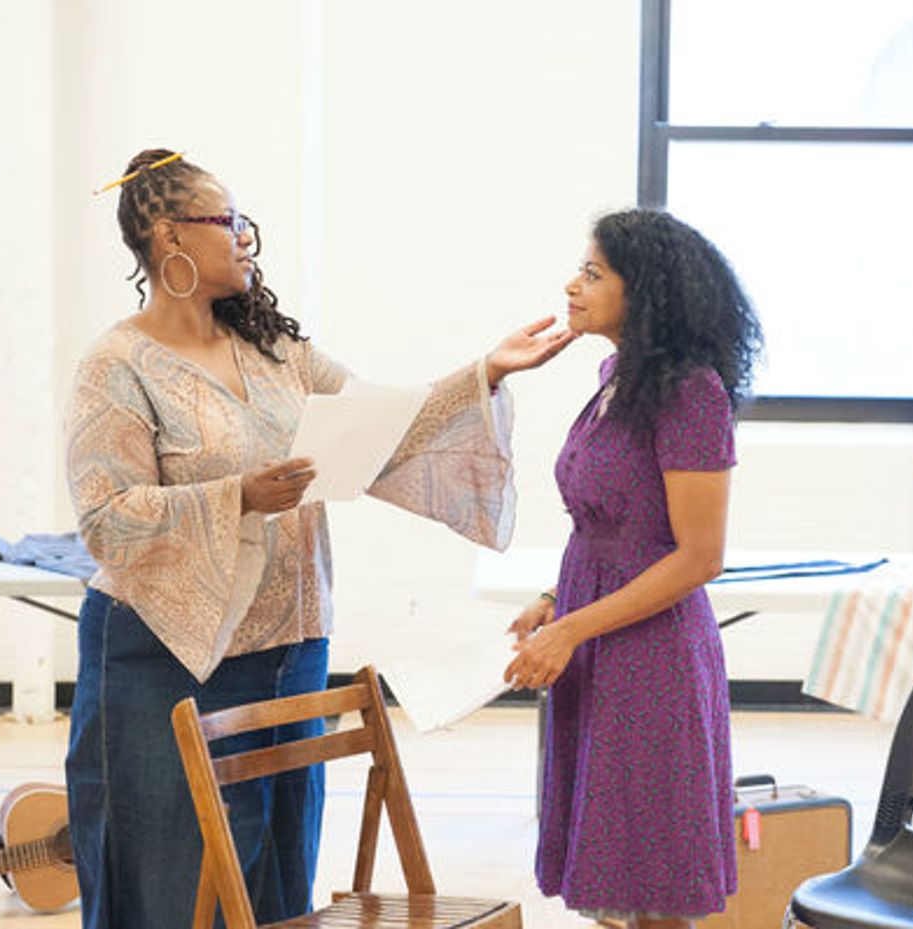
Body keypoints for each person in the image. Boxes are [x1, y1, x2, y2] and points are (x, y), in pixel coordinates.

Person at [65, 148, 573, 929]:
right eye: (226, 221)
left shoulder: (275, 352)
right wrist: (238, 496)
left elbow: (383, 424)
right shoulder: (116, 365)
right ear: (168, 237)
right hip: (164, 656)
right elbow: (105, 516)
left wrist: (486, 374)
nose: (245, 238)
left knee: (276, 863)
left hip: (289, 643)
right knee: (166, 870)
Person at [503, 209, 762, 929]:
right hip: (594, 631)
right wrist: (558, 600)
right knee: (614, 865)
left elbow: (699, 555)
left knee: (653, 875)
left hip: (652, 655)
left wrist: (572, 627)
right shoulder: (619, 375)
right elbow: (618, 520)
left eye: (592, 273)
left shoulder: (691, 393)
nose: (572, 285)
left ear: (642, 290)